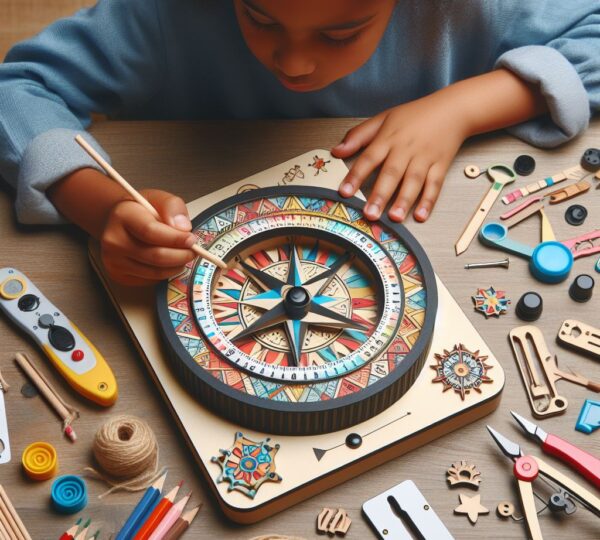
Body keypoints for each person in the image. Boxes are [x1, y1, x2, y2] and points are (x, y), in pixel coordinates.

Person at [0, 0, 598, 285]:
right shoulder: (170, 13)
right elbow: (18, 89)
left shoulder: (464, 9)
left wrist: (462, 107)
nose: (295, 61)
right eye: (259, 19)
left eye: (342, 32)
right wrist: (98, 202)